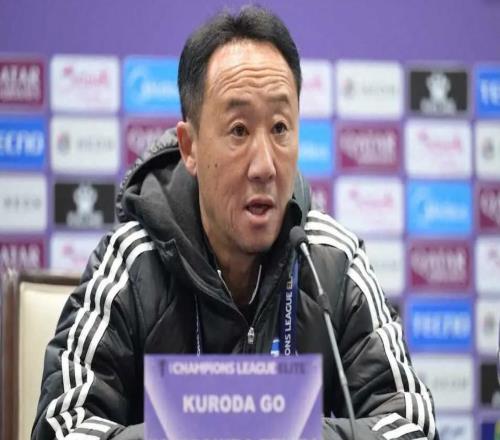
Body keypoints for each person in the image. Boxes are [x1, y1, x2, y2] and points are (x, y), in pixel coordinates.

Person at [32, 6, 439, 440]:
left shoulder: (332, 263)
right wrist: (201, 429)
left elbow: (413, 426)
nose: (264, 166)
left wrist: (286, 430)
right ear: (189, 147)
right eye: (239, 131)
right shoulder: (132, 265)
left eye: (280, 128)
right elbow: (61, 427)